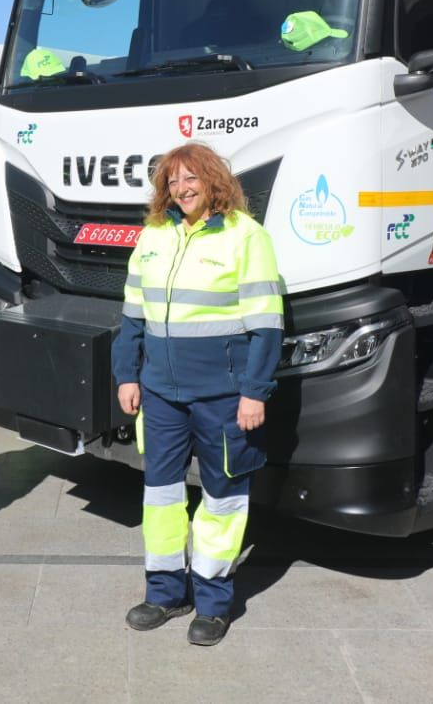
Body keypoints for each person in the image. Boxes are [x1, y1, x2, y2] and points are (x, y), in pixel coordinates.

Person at [113, 142, 283, 646]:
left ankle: (213, 602)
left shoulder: (246, 237)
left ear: (213, 181)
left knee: (223, 499)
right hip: (160, 393)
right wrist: (127, 375)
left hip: (224, 396)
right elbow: (130, 316)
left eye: (191, 179)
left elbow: (268, 326)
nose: (181, 189)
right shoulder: (154, 236)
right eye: (172, 181)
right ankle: (165, 593)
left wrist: (254, 392)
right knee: (161, 497)